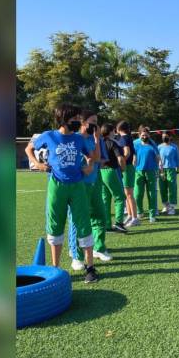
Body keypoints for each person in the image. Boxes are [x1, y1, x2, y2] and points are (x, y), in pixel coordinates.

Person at [25, 104, 98, 283]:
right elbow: (29, 149)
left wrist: (88, 166)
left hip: (77, 185)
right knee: (55, 223)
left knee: (83, 222)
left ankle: (90, 268)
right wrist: (38, 164)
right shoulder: (49, 136)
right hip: (56, 185)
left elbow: (91, 157)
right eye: (74, 120)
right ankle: (55, 268)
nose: (77, 123)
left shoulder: (79, 138)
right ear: (64, 120)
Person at [67, 110, 112, 270]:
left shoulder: (96, 139)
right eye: (92, 122)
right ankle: (76, 255)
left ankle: (98, 248)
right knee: (77, 219)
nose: (95, 125)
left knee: (99, 215)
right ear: (83, 123)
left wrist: (97, 139)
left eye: (97, 122)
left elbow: (99, 159)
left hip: (95, 181)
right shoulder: (75, 139)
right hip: (79, 184)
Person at [99, 123, 128, 233]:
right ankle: (119, 223)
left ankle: (106, 225)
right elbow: (120, 158)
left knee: (105, 199)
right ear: (110, 131)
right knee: (120, 197)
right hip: (111, 171)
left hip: (101, 172)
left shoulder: (99, 143)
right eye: (113, 131)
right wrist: (123, 169)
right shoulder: (113, 143)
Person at [132, 125, 162, 223]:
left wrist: (158, 169)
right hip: (138, 172)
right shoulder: (135, 144)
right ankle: (140, 212)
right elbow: (134, 158)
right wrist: (133, 168)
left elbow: (158, 157)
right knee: (138, 194)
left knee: (152, 194)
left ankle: (152, 215)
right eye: (143, 135)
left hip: (151, 172)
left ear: (149, 135)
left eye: (146, 135)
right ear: (139, 135)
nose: (144, 137)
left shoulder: (153, 144)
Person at [115, 121, 138, 227]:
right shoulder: (127, 137)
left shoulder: (124, 138)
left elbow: (127, 152)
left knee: (129, 194)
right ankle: (129, 215)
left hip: (127, 168)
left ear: (118, 128)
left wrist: (121, 161)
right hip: (128, 167)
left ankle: (135, 218)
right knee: (126, 194)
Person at [158, 133, 179, 215]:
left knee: (172, 187)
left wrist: (178, 168)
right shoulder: (159, 147)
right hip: (161, 169)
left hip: (171, 169)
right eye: (163, 136)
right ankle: (166, 205)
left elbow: (178, 158)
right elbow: (157, 158)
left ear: (170, 137)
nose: (164, 137)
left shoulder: (174, 147)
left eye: (166, 136)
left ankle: (172, 207)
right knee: (162, 187)